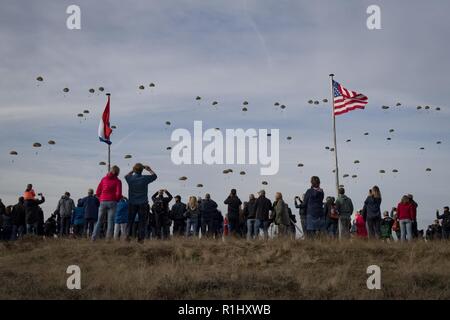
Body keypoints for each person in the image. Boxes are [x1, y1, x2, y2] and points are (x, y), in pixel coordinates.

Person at [125, 163, 157, 242]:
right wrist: (149, 169)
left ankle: (127, 237)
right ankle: (140, 239)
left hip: (132, 202)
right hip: (143, 202)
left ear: (134, 170)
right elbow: (154, 176)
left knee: (130, 220)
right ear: (142, 170)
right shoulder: (144, 178)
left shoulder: (130, 178)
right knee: (142, 222)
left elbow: (126, 175)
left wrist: (133, 170)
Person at [92, 165, 122, 241]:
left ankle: (94, 238)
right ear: (117, 172)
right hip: (112, 201)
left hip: (103, 201)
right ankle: (108, 240)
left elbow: (98, 192)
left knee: (99, 221)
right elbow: (118, 193)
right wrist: (116, 200)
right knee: (110, 222)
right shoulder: (118, 181)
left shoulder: (103, 179)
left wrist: (101, 198)